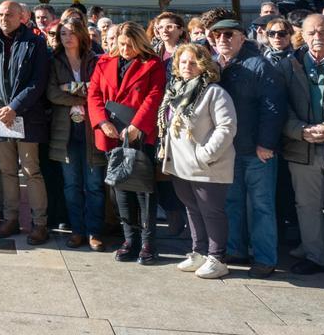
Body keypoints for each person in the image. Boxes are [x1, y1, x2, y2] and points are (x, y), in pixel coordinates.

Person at [210, 17, 286, 278]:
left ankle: (265, 258)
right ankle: (236, 249)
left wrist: (266, 144)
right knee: (232, 203)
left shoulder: (259, 66)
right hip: (229, 150)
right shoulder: (214, 66)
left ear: (243, 37)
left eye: (229, 34)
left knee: (261, 206)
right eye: (217, 35)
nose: (222, 40)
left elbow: (273, 108)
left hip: (256, 151)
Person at [87, 21, 167, 265]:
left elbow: (154, 97)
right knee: (120, 189)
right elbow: (94, 95)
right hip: (112, 134)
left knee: (143, 190)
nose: (125, 49)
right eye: (121, 44)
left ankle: (148, 243)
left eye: (130, 45)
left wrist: (136, 126)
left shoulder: (152, 65)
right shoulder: (104, 62)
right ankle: (129, 240)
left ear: (140, 43)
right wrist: (101, 122)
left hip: (140, 135)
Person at [159, 44, 237, 279]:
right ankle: (199, 252)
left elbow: (227, 127)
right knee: (192, 210)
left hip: (207, 166)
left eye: (193, 62)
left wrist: (205, 155)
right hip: (181, 165)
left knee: (211, 211)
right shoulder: (175, 90)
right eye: (183, 62)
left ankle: (217, 257)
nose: (187, 67)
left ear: (203, 65)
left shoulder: (214, 92)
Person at [0, 0, 51, 244]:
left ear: (22, 16)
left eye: (9, 14)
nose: (3, 18)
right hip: (0, 119)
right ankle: (11, 219)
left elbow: (38, 81)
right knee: (7, 171)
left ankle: (40, 223)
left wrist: (14, 107)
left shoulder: (35, 42)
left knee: (31, 171)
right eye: (0, 14)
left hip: (27, 117)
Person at [281, 13, 324, 274]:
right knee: (307, 205)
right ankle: (316, 256)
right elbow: (279, 108)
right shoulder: (290, 65)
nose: (318, 37)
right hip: (302, 148)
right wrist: (299, 130)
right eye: (312, 32)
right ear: (302, 35)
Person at [47, 16, 105, 250]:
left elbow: (99, 91)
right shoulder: (54, 61)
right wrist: (83, 91)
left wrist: (69, 88)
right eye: (63, 34)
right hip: (65, 129)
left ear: (81, 34)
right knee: (71, 185)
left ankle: (95, 231)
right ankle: (78, 230)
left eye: (71, 32)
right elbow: (52, 93)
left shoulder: (95, 59)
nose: (67, 37)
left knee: (94, 184)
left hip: (92, 128)